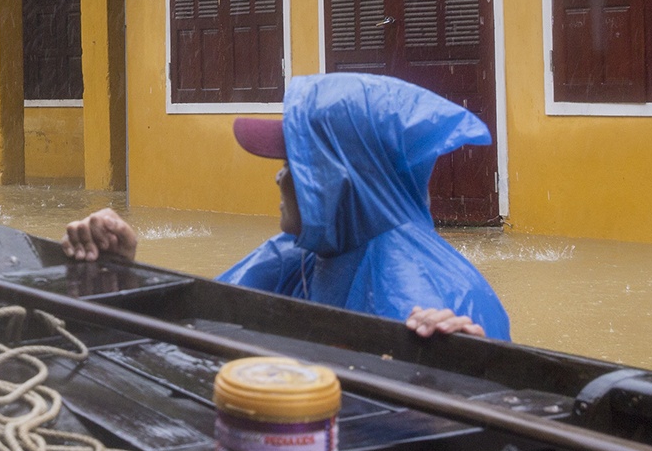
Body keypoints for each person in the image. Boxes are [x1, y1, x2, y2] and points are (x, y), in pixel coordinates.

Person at [63, 73, 510, 341]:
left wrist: (462, 365)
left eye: (291, 164)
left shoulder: (423, 296)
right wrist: (120, 274)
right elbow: (198, 325)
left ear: (336, 182)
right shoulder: (300, 256)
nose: (278, 177)